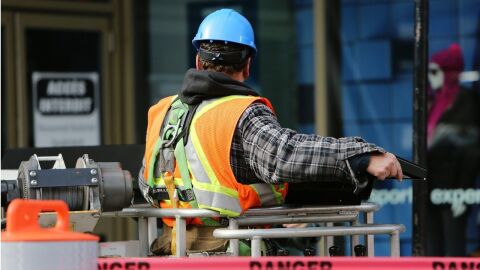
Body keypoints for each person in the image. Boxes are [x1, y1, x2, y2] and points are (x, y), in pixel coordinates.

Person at [138, 8, 403, 255]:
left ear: (198, 60)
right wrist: (361, 156)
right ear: (248, 64)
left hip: (172, 252)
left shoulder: (162, 112)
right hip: (231, 253)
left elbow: (146, 182)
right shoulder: (240, 112)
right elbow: (283, 155)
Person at [426, 44, 480, 256]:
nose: (431, 78)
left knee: (453, 246)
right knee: (432, 246)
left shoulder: (466, 101)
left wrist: (463, 191)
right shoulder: (430, 101)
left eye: (435, 71)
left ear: (449, 72)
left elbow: (471, 151)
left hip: (454, 186)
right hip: (430, 185)